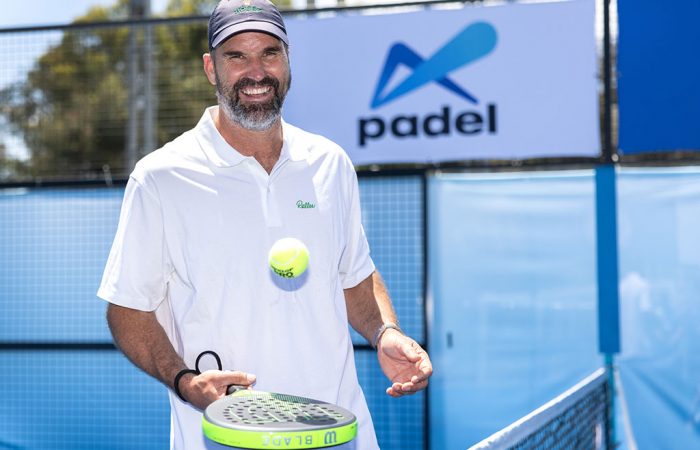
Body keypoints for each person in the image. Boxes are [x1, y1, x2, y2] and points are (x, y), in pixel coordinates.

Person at [97, 0, 432, 448]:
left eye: (269, 53)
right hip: (221, 437)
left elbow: (353, 275)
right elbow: (127, 308)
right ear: (211, 69)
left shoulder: (330, 163)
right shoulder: (161, 177)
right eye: (236, 56)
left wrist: (385, 332)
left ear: (288, 61)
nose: (256, 72)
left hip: (338, 432)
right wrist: (184, 380)